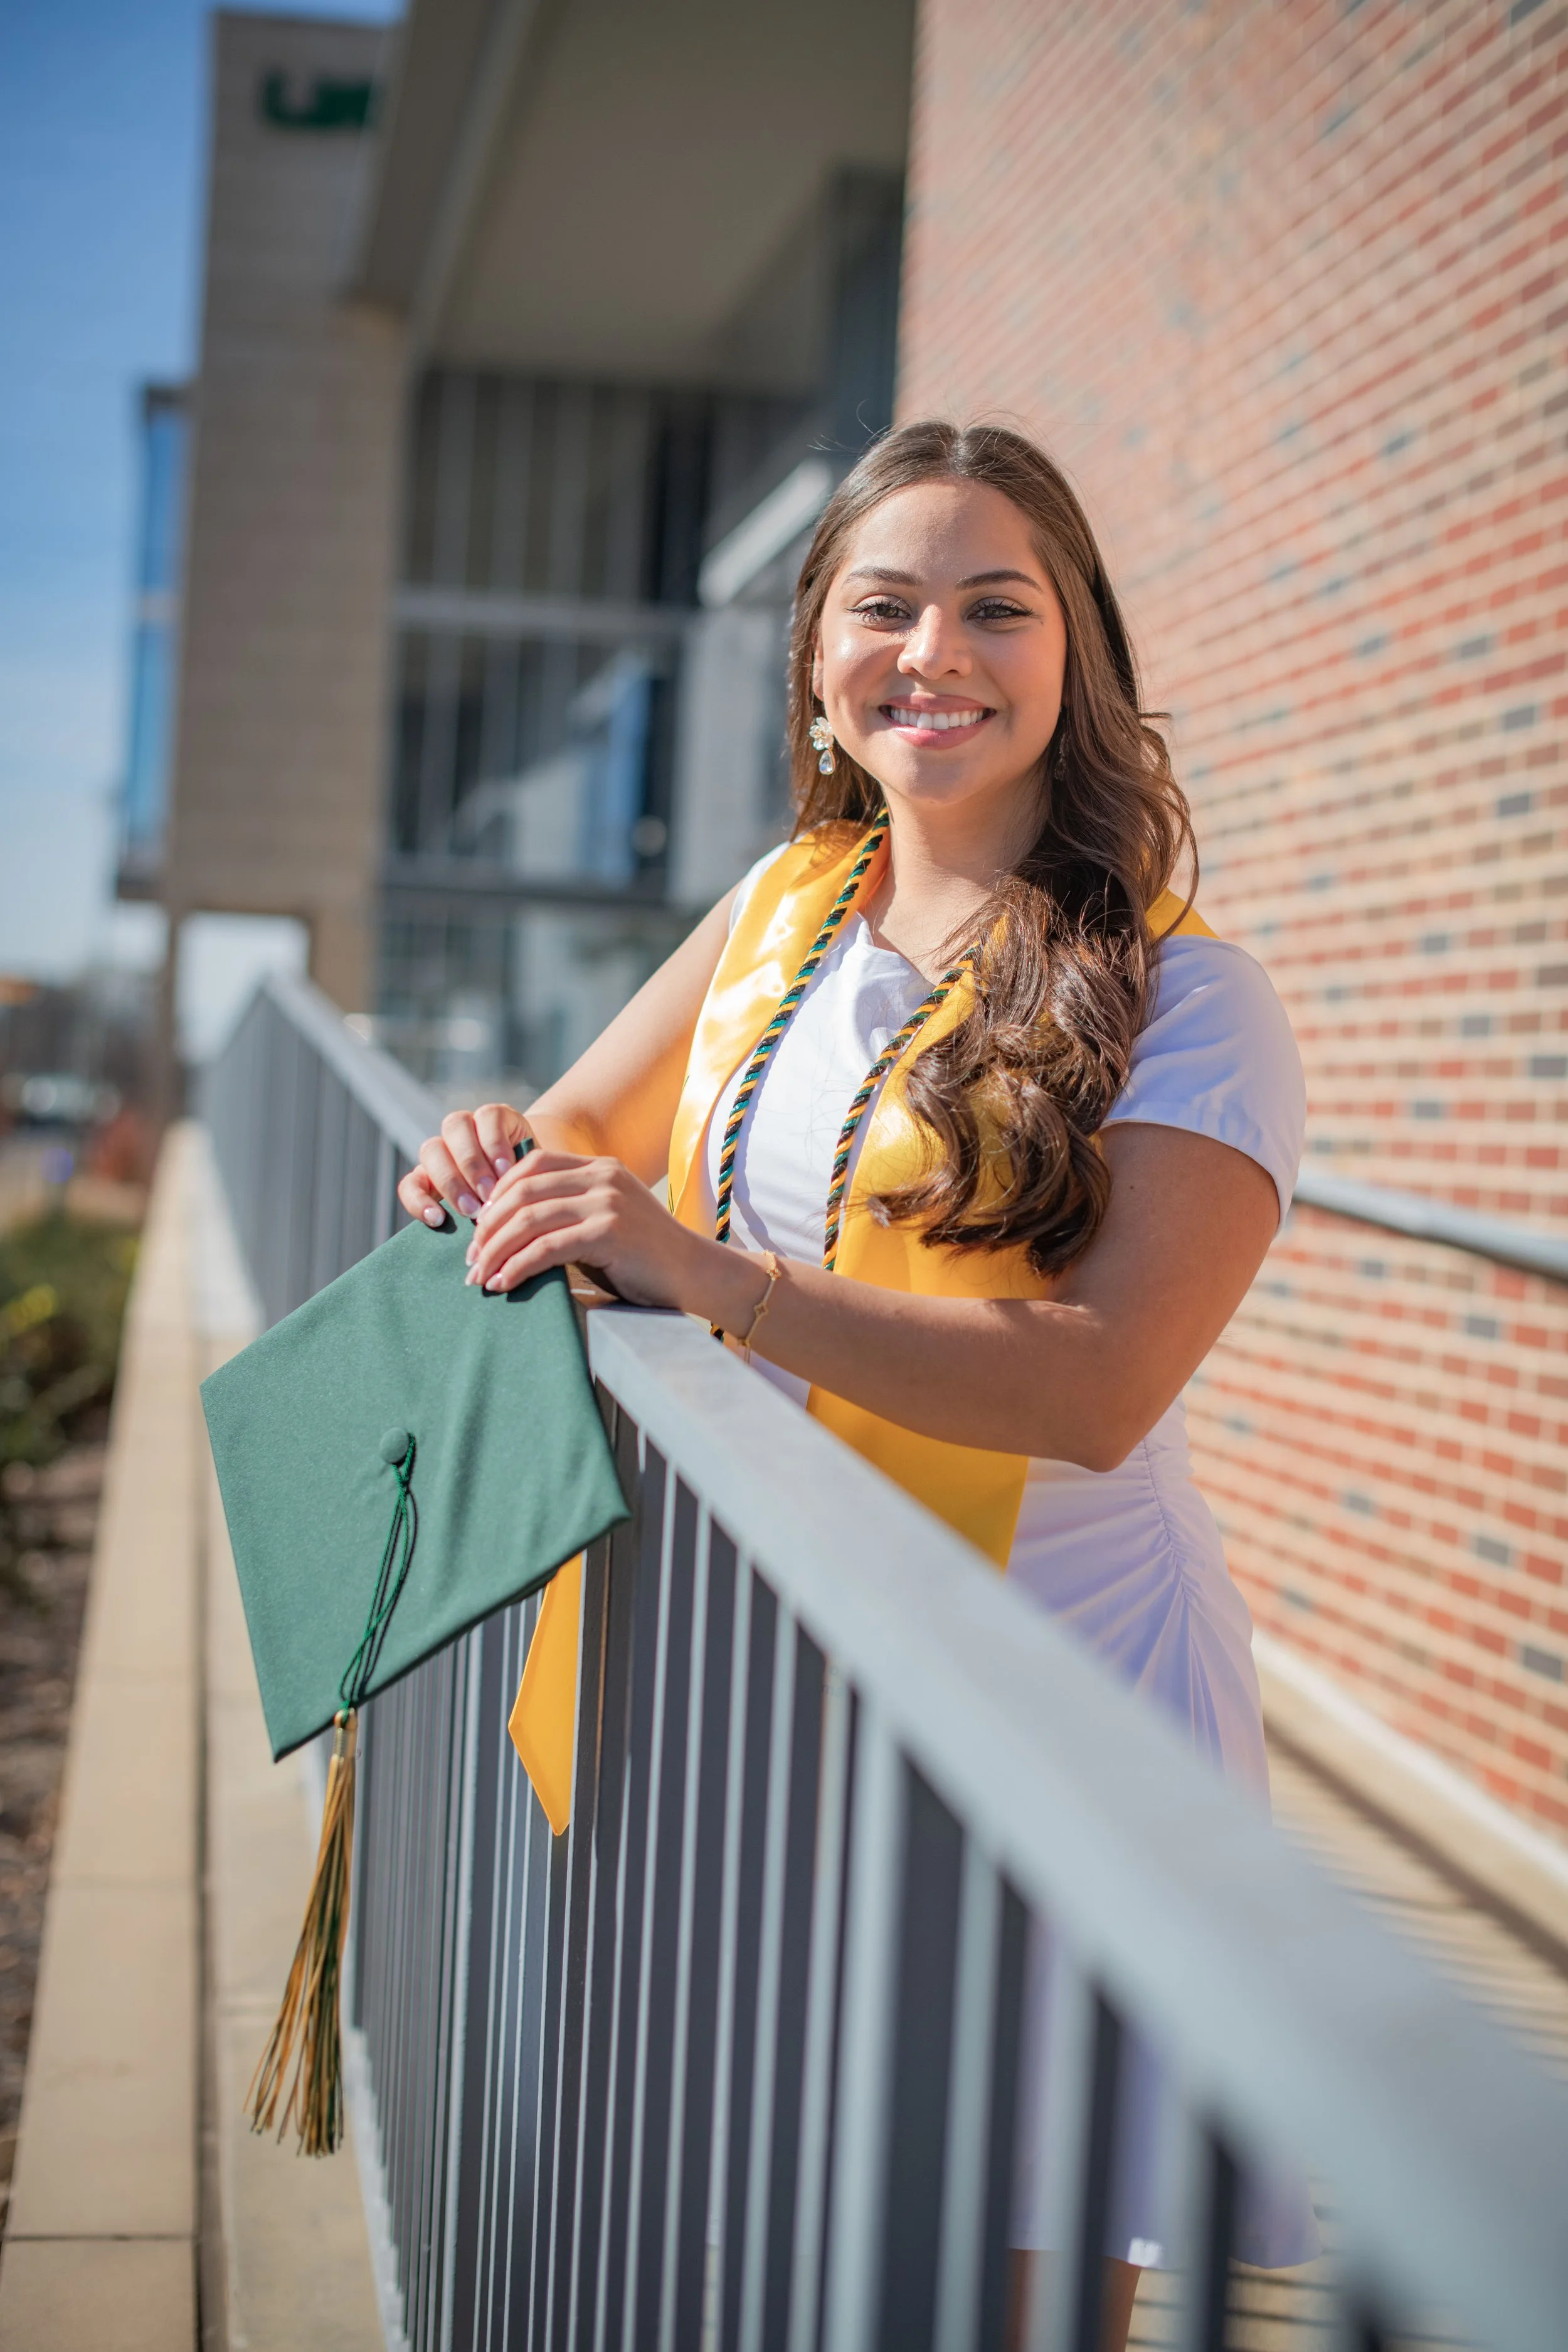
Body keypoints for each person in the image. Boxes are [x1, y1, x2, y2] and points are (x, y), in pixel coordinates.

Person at [396, 419, 1319, 2344]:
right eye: (884, 604)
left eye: (999, 606)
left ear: (1078, 659)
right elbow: (586, 1121)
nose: (936, 653)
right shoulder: (781, 909)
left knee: (993, 2260)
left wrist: (702, 1272)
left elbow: (1095, 1384)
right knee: (786, 2210)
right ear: (816, 649)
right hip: (778, 1661)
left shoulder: (1189, 997)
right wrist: (489, 1151)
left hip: (1050, 1680)